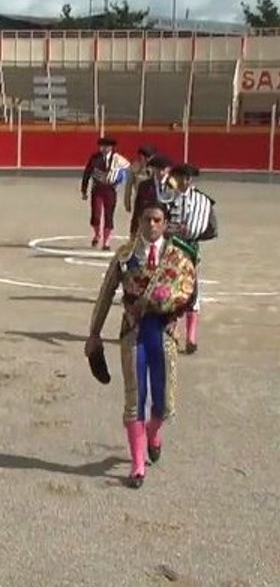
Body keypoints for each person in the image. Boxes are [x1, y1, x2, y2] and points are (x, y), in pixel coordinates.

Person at [85, 201, 197, 489]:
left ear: (165, 223)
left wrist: (164, 302)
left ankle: (153, 433)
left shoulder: (180, 258)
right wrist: (94, 333)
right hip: (133, 334)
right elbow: (105, 294)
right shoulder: (124, 256)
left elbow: (188, 292)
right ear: (139, 222)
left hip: (164, 334)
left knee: (164, 401)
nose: (151, 225)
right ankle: (137, 465)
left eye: (157, 220)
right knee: (134, 399)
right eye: (147, 219)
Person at [165, 163, 218, 354]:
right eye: (182, 177)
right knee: (170, 289)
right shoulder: (166, 197)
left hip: (189, 249)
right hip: (169, 249)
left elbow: (212, 229)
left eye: (188, 178)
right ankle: (174, 331)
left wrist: (195, 233)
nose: (185, 181)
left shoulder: (202, 201)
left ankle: (191, 337)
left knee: (191, 290)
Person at [81, 136, 130, 250]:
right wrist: (84, 190)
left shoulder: (117, 159)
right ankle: (97, 234)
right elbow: (87, 173)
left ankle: (106, 241)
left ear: (111, 147)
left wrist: (120, 179)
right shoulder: (94, 158)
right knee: (96, 215)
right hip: (97, 189)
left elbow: (127, 170)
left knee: (109, 215)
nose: (104, 149)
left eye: (107, 146)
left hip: (110, 190)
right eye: (102, 146)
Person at [128, 151, 171, 238]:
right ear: (154, 169)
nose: (160, 172)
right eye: (158, 169)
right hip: (148, 224)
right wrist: (133, 228)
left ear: (168, 169)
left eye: (163, 169)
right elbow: (138, 208)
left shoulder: (173, 187)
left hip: (167, 226)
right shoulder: (144, 186)